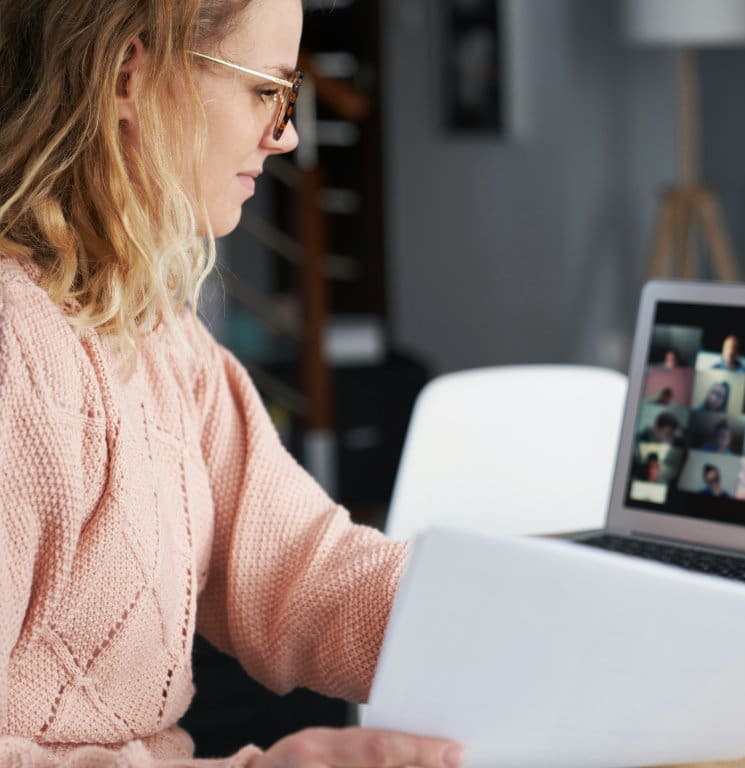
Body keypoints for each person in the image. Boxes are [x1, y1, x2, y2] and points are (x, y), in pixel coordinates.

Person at [0, 2, 463, 766]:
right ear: (128, 76)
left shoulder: (157, 333)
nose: (285, 134)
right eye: (265, 90)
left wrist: (525, 622)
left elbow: (303, 575)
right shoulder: (19, 349)